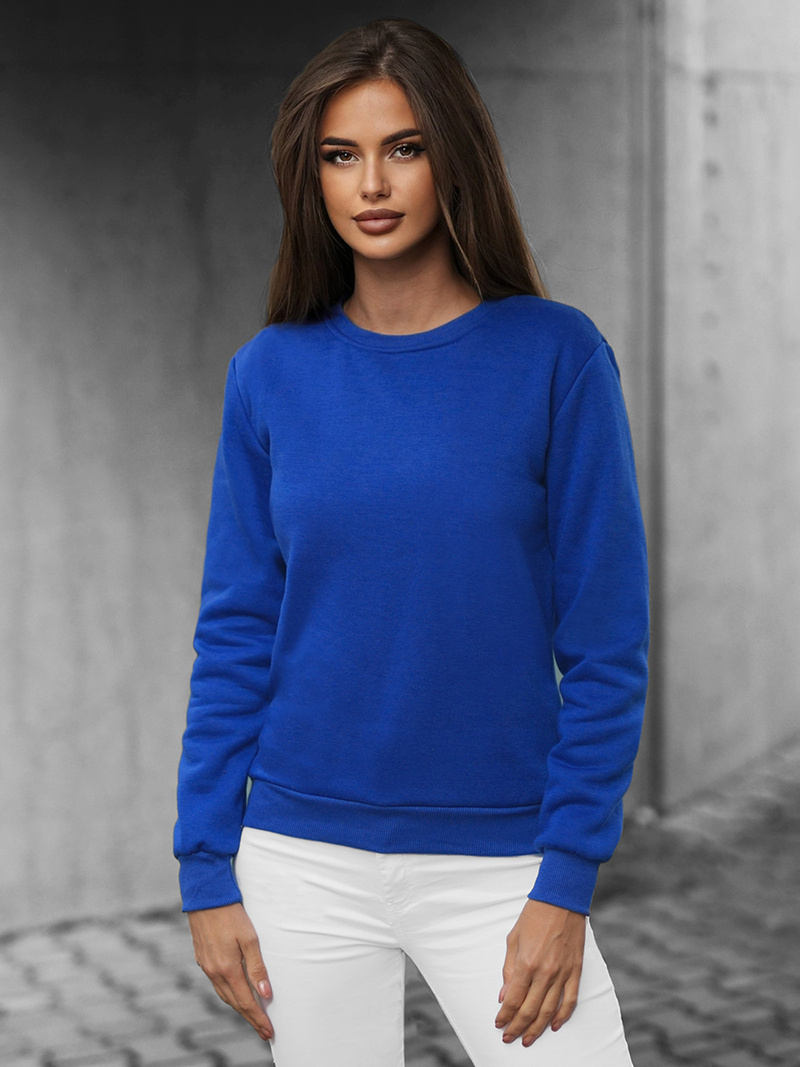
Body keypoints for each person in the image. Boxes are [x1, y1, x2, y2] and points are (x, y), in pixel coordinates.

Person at [174, 17, 649, 1067]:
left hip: (502, 862)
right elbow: (236, 631)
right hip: (299, 858)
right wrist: (206, 866)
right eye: (340, 156)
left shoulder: (555, 357)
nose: (372, 184)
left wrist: (565, 879)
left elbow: (607, 645)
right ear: (311, 178)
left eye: (404, 147)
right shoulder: (270, 373)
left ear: (453, 157)